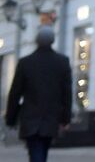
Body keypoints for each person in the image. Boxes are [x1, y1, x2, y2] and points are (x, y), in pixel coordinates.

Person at [4, 26, 72, 162]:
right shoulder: (62, 62)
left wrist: (11, 118)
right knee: (42, 149)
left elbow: (15, 92)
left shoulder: (26, 63)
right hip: (51, 117)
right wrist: (65, 118)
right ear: (52, 41)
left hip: (30, 117)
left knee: (35, 150)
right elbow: (67, 93)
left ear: (37, 41)